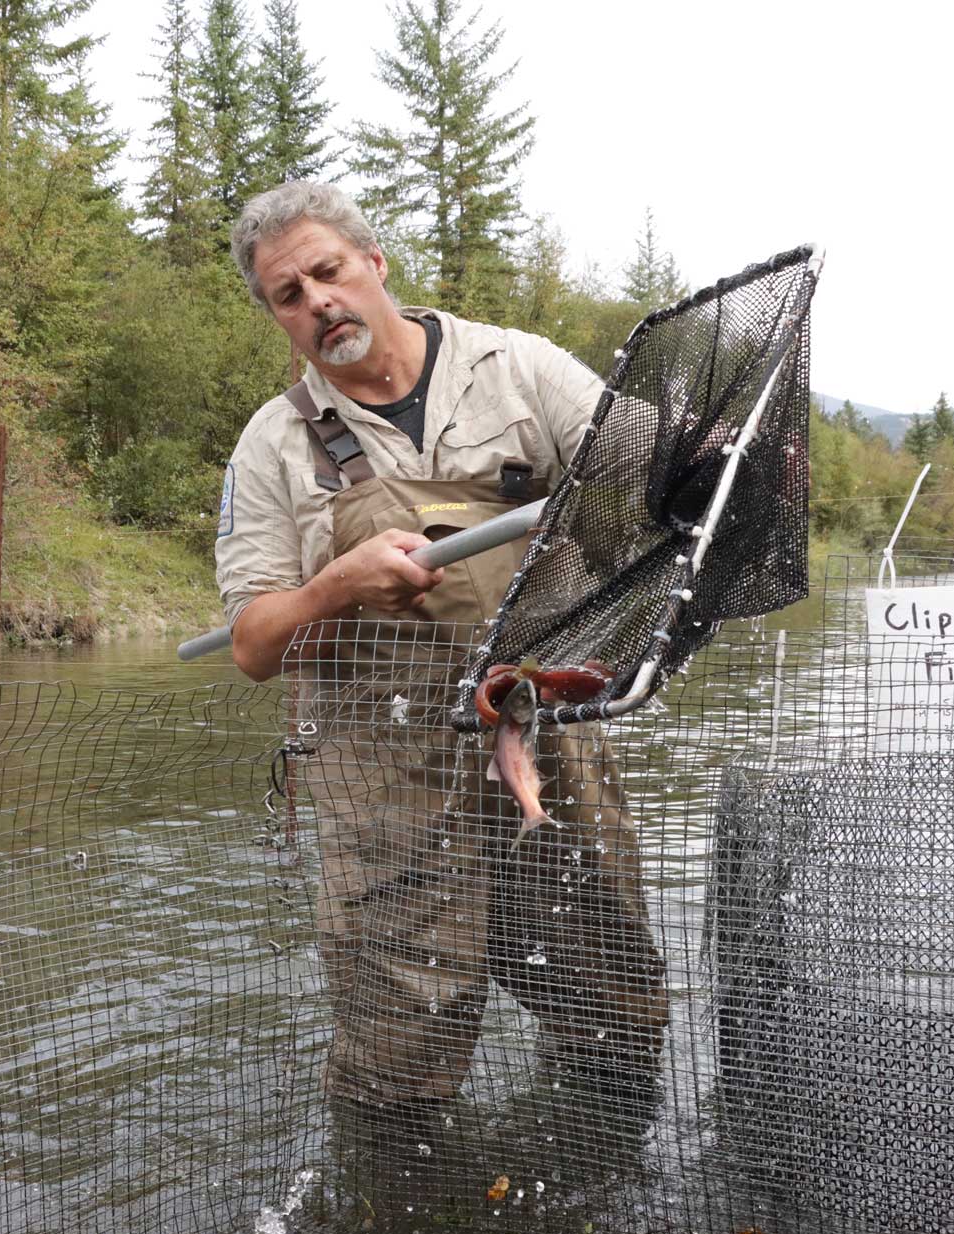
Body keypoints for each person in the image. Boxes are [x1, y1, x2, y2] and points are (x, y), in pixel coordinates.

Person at [214, 180, 668, 1116]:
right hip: (383, 781)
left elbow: (645, 463)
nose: (317, 305)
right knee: (400, 1050)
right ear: (276, 318)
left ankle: (596, 1176)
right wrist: (337, 584)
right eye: (287, 297)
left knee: (609, 994)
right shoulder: (274, 446)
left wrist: (701, 461)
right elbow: (254, 644)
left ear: (375, 263)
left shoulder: (514, 368)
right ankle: (399, 1232)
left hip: (545, 744)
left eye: (328, 273)